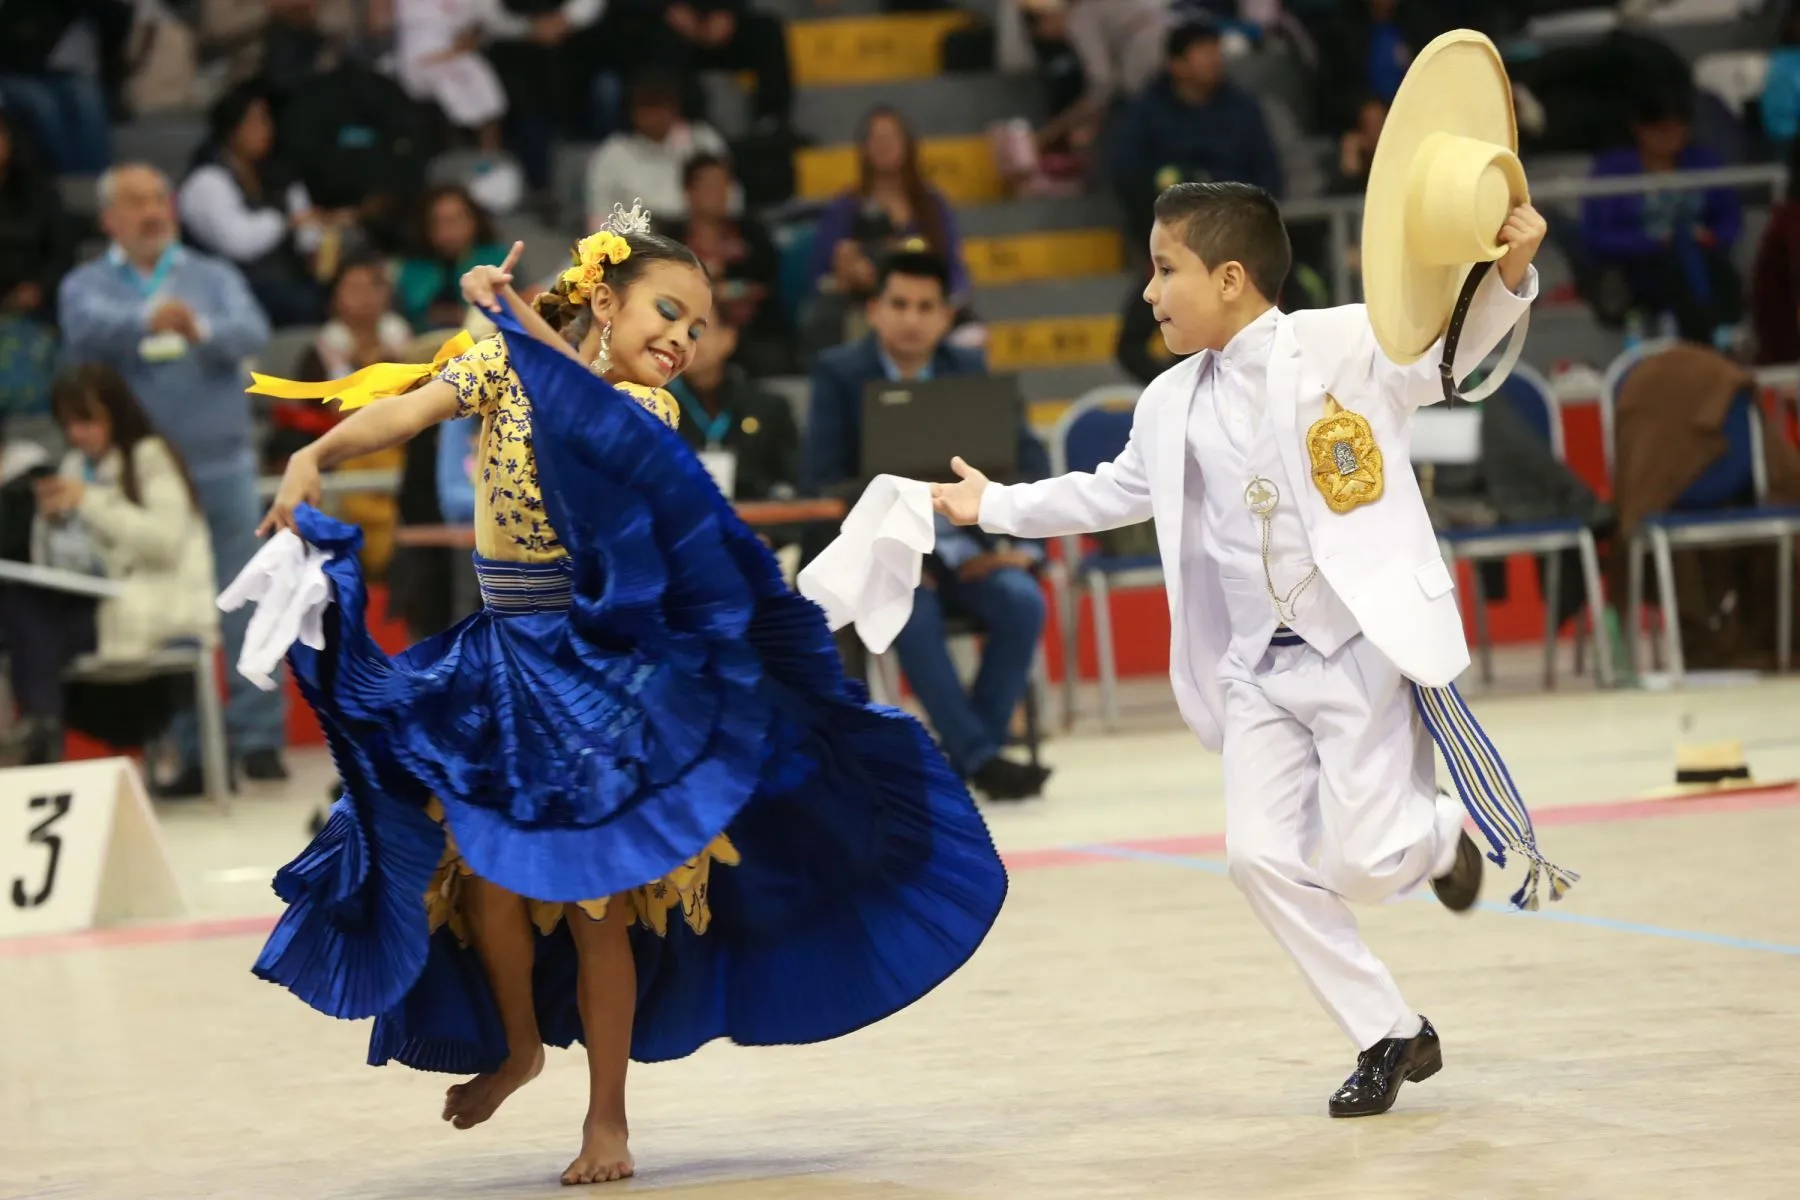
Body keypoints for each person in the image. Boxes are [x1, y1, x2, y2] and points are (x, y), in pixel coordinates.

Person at [245, 216, 1007, 1185]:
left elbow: (578, 416)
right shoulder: (497, 368)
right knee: (484, 878)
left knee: (603, 902)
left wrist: (512, 313)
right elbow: (400, 415)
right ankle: (518, 1046)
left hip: (595, 678)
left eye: (697, 326)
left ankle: (608, 1117)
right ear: (603, 300)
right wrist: (316, 458)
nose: (684, 341)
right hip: (491, 665)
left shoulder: (648, 415)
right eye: (668, 311)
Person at [58, 162, 285, 795]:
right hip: (144, 477)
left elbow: (252, 330)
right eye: (136, 201)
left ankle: (260, 737)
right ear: (110, 218)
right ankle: (189, 748)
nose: (153, 210)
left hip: (222, 465)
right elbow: (84, 327)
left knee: (250, 602)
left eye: (159, 198)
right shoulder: (87, 283)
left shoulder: (212, 275)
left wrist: (200, 328)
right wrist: (148, 320)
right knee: (169, 614)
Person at [805, 250, 1051, 801]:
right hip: (887, 551)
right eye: (899, 304)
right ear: (874, 310)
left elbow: (1029, 465)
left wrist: (1011, 542)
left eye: (926, 307)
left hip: (972, 550)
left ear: (945, 317)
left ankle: (970, 755)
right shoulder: (839, 374)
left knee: (1022, 598)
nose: (912, 318)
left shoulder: (972, 374)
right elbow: (821, 480)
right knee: (910, 610)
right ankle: (982, 758)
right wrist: (906, 551)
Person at [0, 363, 216, 765]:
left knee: (29, 625)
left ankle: (40, 737)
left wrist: (87, 502)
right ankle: (39, 731)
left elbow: (163, 542)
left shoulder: (150, 457)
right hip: (94, 599)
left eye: (87, 421)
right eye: (68, 424)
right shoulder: (71, 465)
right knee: (18, 605)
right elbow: (72, 558)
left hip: (153, 605)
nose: (76, 434)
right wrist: (51, 526)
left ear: (116, 413)